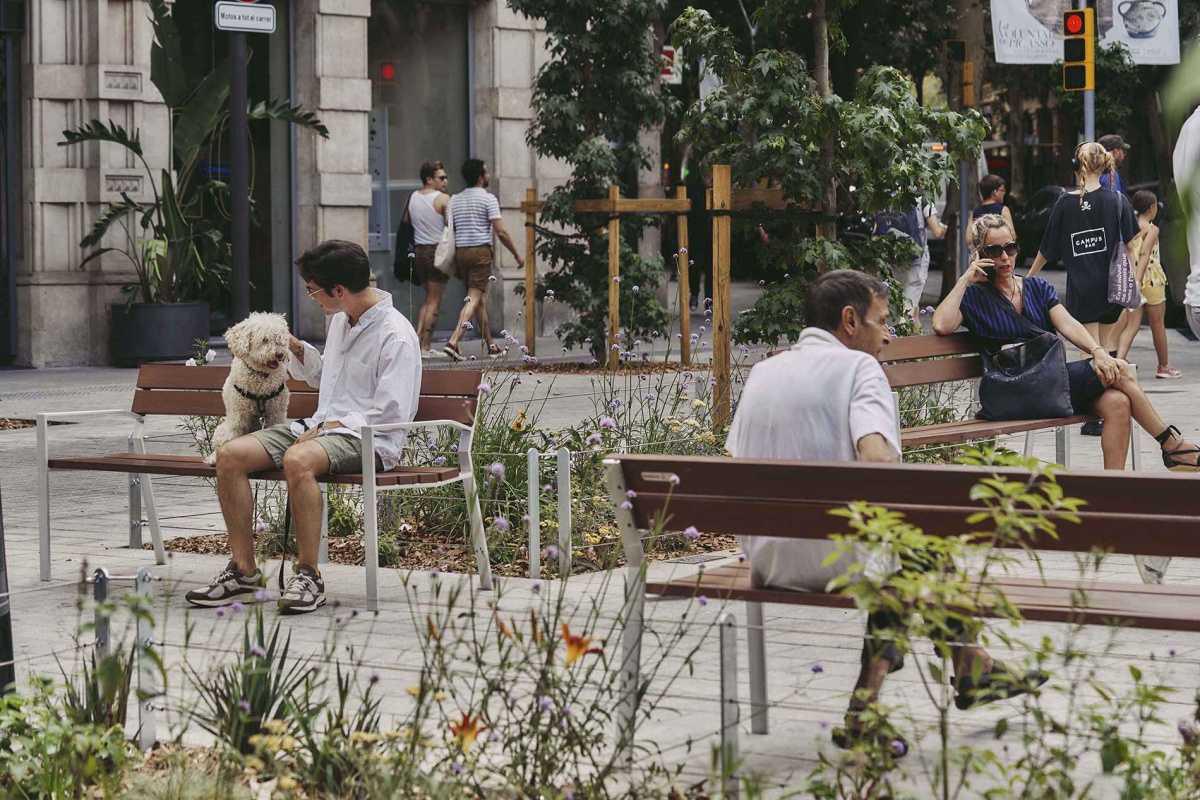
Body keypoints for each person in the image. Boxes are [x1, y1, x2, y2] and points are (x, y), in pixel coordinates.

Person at [727, 269, 1045, 754]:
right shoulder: (859, 370)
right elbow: (881, 467)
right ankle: (875, 704)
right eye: (882, 321)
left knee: (908, 547)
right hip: (837, 560)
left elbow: (738, 462)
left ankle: (970, 666)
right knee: (912, 544)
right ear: (849, 321)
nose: (889, 335)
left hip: (766, 558)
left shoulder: (763, 373)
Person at [933, 214, 1200, 582]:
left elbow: (1069, 325)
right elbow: (941, 325)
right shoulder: (975, 297)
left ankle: (1113, 499)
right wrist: (965, 277)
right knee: (1119, 372)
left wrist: (1098, 351)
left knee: (1118, 401)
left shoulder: (1037, 289)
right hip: (1012, 391)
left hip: (1050, 385)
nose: (1006, 257)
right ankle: (1173, 446)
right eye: (994, 250)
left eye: (1010, 247)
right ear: (979, 254)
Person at [188, 240, 422, 613]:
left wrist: (332, 424)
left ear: (338, 290)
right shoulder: (343, 321)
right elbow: (322, 377)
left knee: (298, 459)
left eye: (313, 289)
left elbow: (392, 412)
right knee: (229, 456)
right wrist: (296, 349)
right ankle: (243, 571)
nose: (311, 296)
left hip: (368, 438)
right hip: (318, 428)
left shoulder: (395, 335)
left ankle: (309, 574)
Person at [1026, 141, 1139, 436]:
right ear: (1105, 166)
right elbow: (1131, 246)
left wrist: (1028, 277)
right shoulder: (1117, 201)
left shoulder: (1064, 203)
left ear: (1077, 166)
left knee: (1091, 353)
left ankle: (1095, 415)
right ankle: (1111, 407)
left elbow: (1047, 249)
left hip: (1082, 288)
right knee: (1107, 349)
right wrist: (1134, 280)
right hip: (1111, 288)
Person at [442, 158, 524, 361]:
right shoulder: (488, 199)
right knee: (474, 299)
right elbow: (501, 232)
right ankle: (454, 340)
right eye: (486, 172)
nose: (488, 176)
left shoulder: (455, 199)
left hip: (461, 253)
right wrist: (516, 255)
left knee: (479, 300)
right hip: (480, 253)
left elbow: (451, 226)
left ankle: (491, 346)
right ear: (480, 176)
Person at [1114, 190, 1181, 378]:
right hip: (1151, 279)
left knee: (1131, 324)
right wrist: (1138, 280)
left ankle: (1119, 360)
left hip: (1129, 277)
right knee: (1157, 323)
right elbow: (1144, 255)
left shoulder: (1128, 226)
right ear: (1151, 209)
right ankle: (1164, 366)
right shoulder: (1152, 229)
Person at [405, 160, 450, 352]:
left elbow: (406, 220)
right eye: (441, 177)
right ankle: (424, 346)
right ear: (429, 179)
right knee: (435, 300)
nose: (445, 181)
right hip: (436, 250)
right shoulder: (442, 199)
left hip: (419, 250)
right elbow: (451, 225)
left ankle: (417, 341)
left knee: (428, 298)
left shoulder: (413, 197)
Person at [875, 202, 946, 320]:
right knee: (907, 309)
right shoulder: (922, 199)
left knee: (911, 304)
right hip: (916, 258)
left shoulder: (887, 194)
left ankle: (918, 337)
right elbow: (937, 231)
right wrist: (945, 228)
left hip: (893, 257)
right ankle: (902, 336)